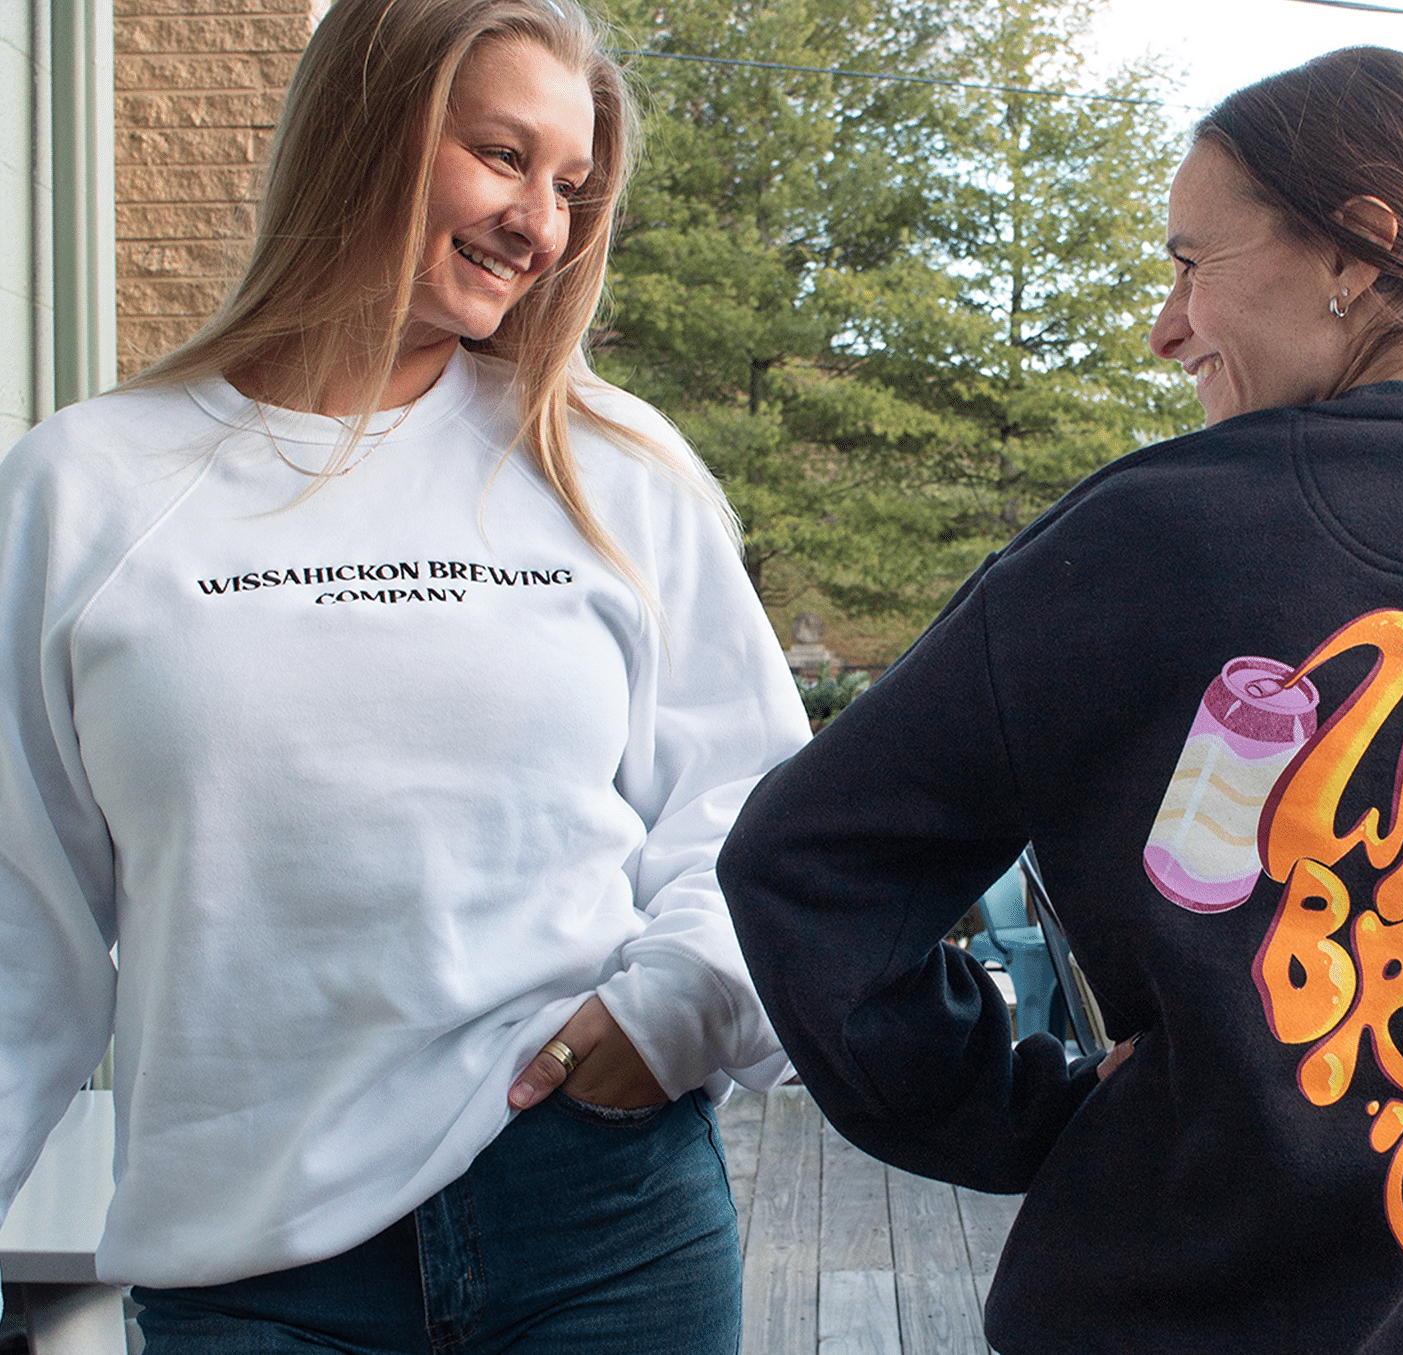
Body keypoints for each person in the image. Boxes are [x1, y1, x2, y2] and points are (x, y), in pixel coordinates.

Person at [718, 45, 1403, 1354]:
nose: (1164, 327)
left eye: (1191, 264)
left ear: (1356, 250)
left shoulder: (1131, 540)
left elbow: (806, 862)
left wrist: (1020, 1113)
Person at [0, 0, 808, 1349]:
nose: (542, 226)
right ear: (364, 132)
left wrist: (672, 1011)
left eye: (571, 186)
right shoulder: (84, 487)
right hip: (252, 1264)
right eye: (503, 156)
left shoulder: (608, 465)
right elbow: (18, 928)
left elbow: (757, 809)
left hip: (600, 1220)